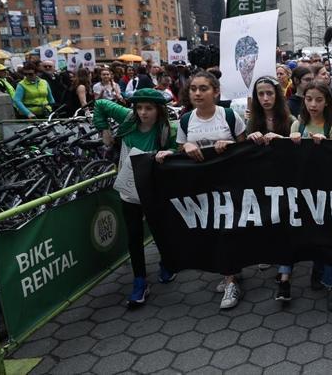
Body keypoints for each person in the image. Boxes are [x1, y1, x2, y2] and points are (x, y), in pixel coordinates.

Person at [169, 70, 247, 309]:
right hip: (201, 186)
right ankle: (230, 270)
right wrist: (188, 146)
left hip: (230, 183)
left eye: (203, 88)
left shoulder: (230, 116)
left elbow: (246, 150)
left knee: (228, 229)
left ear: (216, 91)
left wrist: (230, 144)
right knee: (214, 230)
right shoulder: (186, 120)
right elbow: (181, 147)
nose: (198, 93)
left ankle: (231, 280)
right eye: (193, 89)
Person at [94, 89, 178, 308]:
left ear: (159, 110)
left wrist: (168, 151)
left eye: (148, 108)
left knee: (160, 229)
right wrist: (103, 130)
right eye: (139, 107)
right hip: (128, 188)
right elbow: (101, 104)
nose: (143, 113)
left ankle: (167, 263)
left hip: (154, 190)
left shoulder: (167, 129)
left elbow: (176, 149)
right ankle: (139, 280)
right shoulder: (128, 118)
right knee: (134, 236)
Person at [282, 80, 332, 309]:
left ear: (327, 101)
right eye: (309, 99)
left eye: (319, 99)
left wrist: (326, 146)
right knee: (311, 231)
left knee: (330, 236)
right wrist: (293, 145)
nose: (313, 104)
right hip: (304, 190)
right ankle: (317, 268)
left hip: (329, 190)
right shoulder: (297, 125)